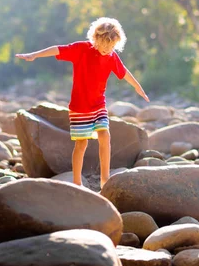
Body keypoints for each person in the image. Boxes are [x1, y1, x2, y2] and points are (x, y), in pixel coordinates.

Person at [16, 17, 149, 188]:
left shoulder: (111, 56)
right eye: (106, 45)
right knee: (81, 144)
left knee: (104, 136)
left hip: (99, 105)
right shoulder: (81, 49)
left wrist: (138, 87)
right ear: (96, 39)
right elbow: (58, 49)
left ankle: (105, 178)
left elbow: (124, 72)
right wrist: (34, 54)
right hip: (80, 107)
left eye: (112, 46)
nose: (109, 49)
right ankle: (77, 182)